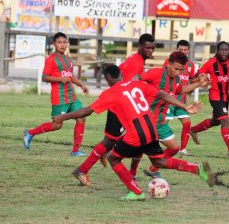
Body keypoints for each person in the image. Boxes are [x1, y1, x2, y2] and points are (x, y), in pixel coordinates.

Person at [53, 64, 215, 201]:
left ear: (108, 79)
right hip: (151, 129)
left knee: (113, 158)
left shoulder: (110, 93)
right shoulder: (136, 85)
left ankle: (136, 192)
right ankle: (196, 169)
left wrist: (63, 117)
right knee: (159, 162)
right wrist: (184, 106)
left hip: (136, 134)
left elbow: (87, 111)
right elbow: (162, 94)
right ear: (121, 74)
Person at [69, 33, 155, 182]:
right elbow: (128, 85)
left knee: (115, 141)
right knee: (130, 140)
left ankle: (87, 168)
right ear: (140, 47)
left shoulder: (134, 59)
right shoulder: (137, 63)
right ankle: (128, 174)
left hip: (120, 105)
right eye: (148, 47)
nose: (151, 51)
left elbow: (118, 72)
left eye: (153, 48)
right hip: (121, 108)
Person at [133, 51, 209, 178]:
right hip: (146, 119)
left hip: (160, 121)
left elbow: (180, 89)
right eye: (176, 69)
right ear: (168, 64)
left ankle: (152, 169)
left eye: (181, 70)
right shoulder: (156, 72)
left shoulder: (176, 79)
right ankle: (132, 174)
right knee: (137, 148)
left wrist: (199, 84)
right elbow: (136, 79)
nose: (178, 72)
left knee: (174, 148)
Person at [23, 32, 89, 156]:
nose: (62, 45)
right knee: (57, 125)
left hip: (72, 96)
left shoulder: (68, 59)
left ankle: (75, 151)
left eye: (65, 42)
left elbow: (69, 76)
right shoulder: (51, 60)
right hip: (59, 98)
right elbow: (44, 77)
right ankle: (30, 133)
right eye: (59, 42)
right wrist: (59, 79)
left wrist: (81, 84)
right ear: (54, 44)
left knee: (81, 118)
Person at [190, 41, 229, 159]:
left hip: (226, 97)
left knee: (216, 121)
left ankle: (193, 130)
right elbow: (196, 76)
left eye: (226, 50)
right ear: (217, 51)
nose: (224, 52)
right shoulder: (210, 63)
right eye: (221, 50)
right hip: (215, 96)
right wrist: (201, 78)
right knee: (225, 119)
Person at [162, 40, 196, 157]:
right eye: (180, 49)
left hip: (182, 100)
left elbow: (191, 80)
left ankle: (183, 149)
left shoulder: (191, 65)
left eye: (185, 50)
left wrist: (201, 81)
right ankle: (151, 145)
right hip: (170, 99)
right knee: (162, 123)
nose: (183, 52)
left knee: (187, 122)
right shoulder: (169, 61)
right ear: (177, 49)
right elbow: (164, 76)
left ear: (188, 50)